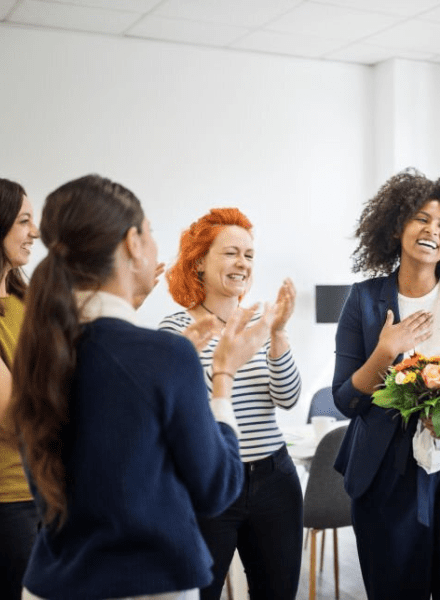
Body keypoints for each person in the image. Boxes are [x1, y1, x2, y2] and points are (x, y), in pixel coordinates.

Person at [8, 174, 270, 600]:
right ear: (132, 242)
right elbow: (217, 489)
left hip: (51, 583)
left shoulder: (40, 351)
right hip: (149, 585)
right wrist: (222, 376)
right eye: (150, 234)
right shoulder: (164, 355)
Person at [332, 170, 440, 600]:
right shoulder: (363, 299)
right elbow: (345, 400)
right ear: (396, 227)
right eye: (421, 219)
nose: (433, 230)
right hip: (386, 475)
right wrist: (384, 352)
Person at [160, 208, 303, 600]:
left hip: (275, 480)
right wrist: (226, 364)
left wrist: (277, 335)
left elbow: (289, 398)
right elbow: (179, 411)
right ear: (199, 262)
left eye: (249, 255)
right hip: (209, 485)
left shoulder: (262, 324)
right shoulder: (177, 330)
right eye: (231, 253)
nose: (243, 263)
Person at [0, 178, 39, 599]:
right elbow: (13, 422)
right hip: (8, 501)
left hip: (43, 491)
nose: (35, 232)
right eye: (24, 220)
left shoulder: (25, 300)